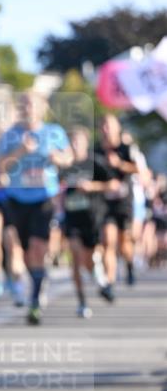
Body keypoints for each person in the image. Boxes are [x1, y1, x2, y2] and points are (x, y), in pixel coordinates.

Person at [0, 91, 73, 325]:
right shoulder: (11, 135)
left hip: (44, 197)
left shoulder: (53, 132)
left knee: (38, 248)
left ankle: (35, 298)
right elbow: (1, 167)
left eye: (30, 104)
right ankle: (39, 280)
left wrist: (56, 157)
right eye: (22, 105)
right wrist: (21, 151)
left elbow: (69, 157)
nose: (26, 108)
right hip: (18, 198)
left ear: (42, 107)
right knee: (26, 251)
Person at [60, 127, 112, 317]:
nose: (74, 146)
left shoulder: (94, 163)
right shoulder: (65, 166)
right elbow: (57, 189)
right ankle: (81, 301)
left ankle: (99, 277)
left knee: (89, 260)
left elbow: (113, 184)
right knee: (75, 256)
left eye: (78, 142)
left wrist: (92, 186)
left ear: (85, 143)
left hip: (92, 217)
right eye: (71, 142)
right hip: (72, 217)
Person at [95, 115, 139, 295]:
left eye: (110, 126)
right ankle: (109, 282)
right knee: (108, 240)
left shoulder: (126, 148)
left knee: (124, 243)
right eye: (103, 125)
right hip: (104, 203)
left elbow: (137, 169)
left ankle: (129, 264)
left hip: (124, 203)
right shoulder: (96, 150)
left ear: (117, 128)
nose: (106, 129)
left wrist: (120, 164)